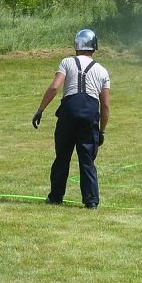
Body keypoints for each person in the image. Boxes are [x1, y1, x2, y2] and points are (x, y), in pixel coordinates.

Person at [32, 28, 110, 209]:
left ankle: (56, 197)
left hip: (68, 112)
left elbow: (54, 88)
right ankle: (91, 202)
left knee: (62, 157)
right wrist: (102, 130)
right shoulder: (102, 70)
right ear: (94, 46)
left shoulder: (67, 62)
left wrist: (40, 109)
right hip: (90, 115)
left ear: (76, 45)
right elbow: (105, 106)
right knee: (87, 160)